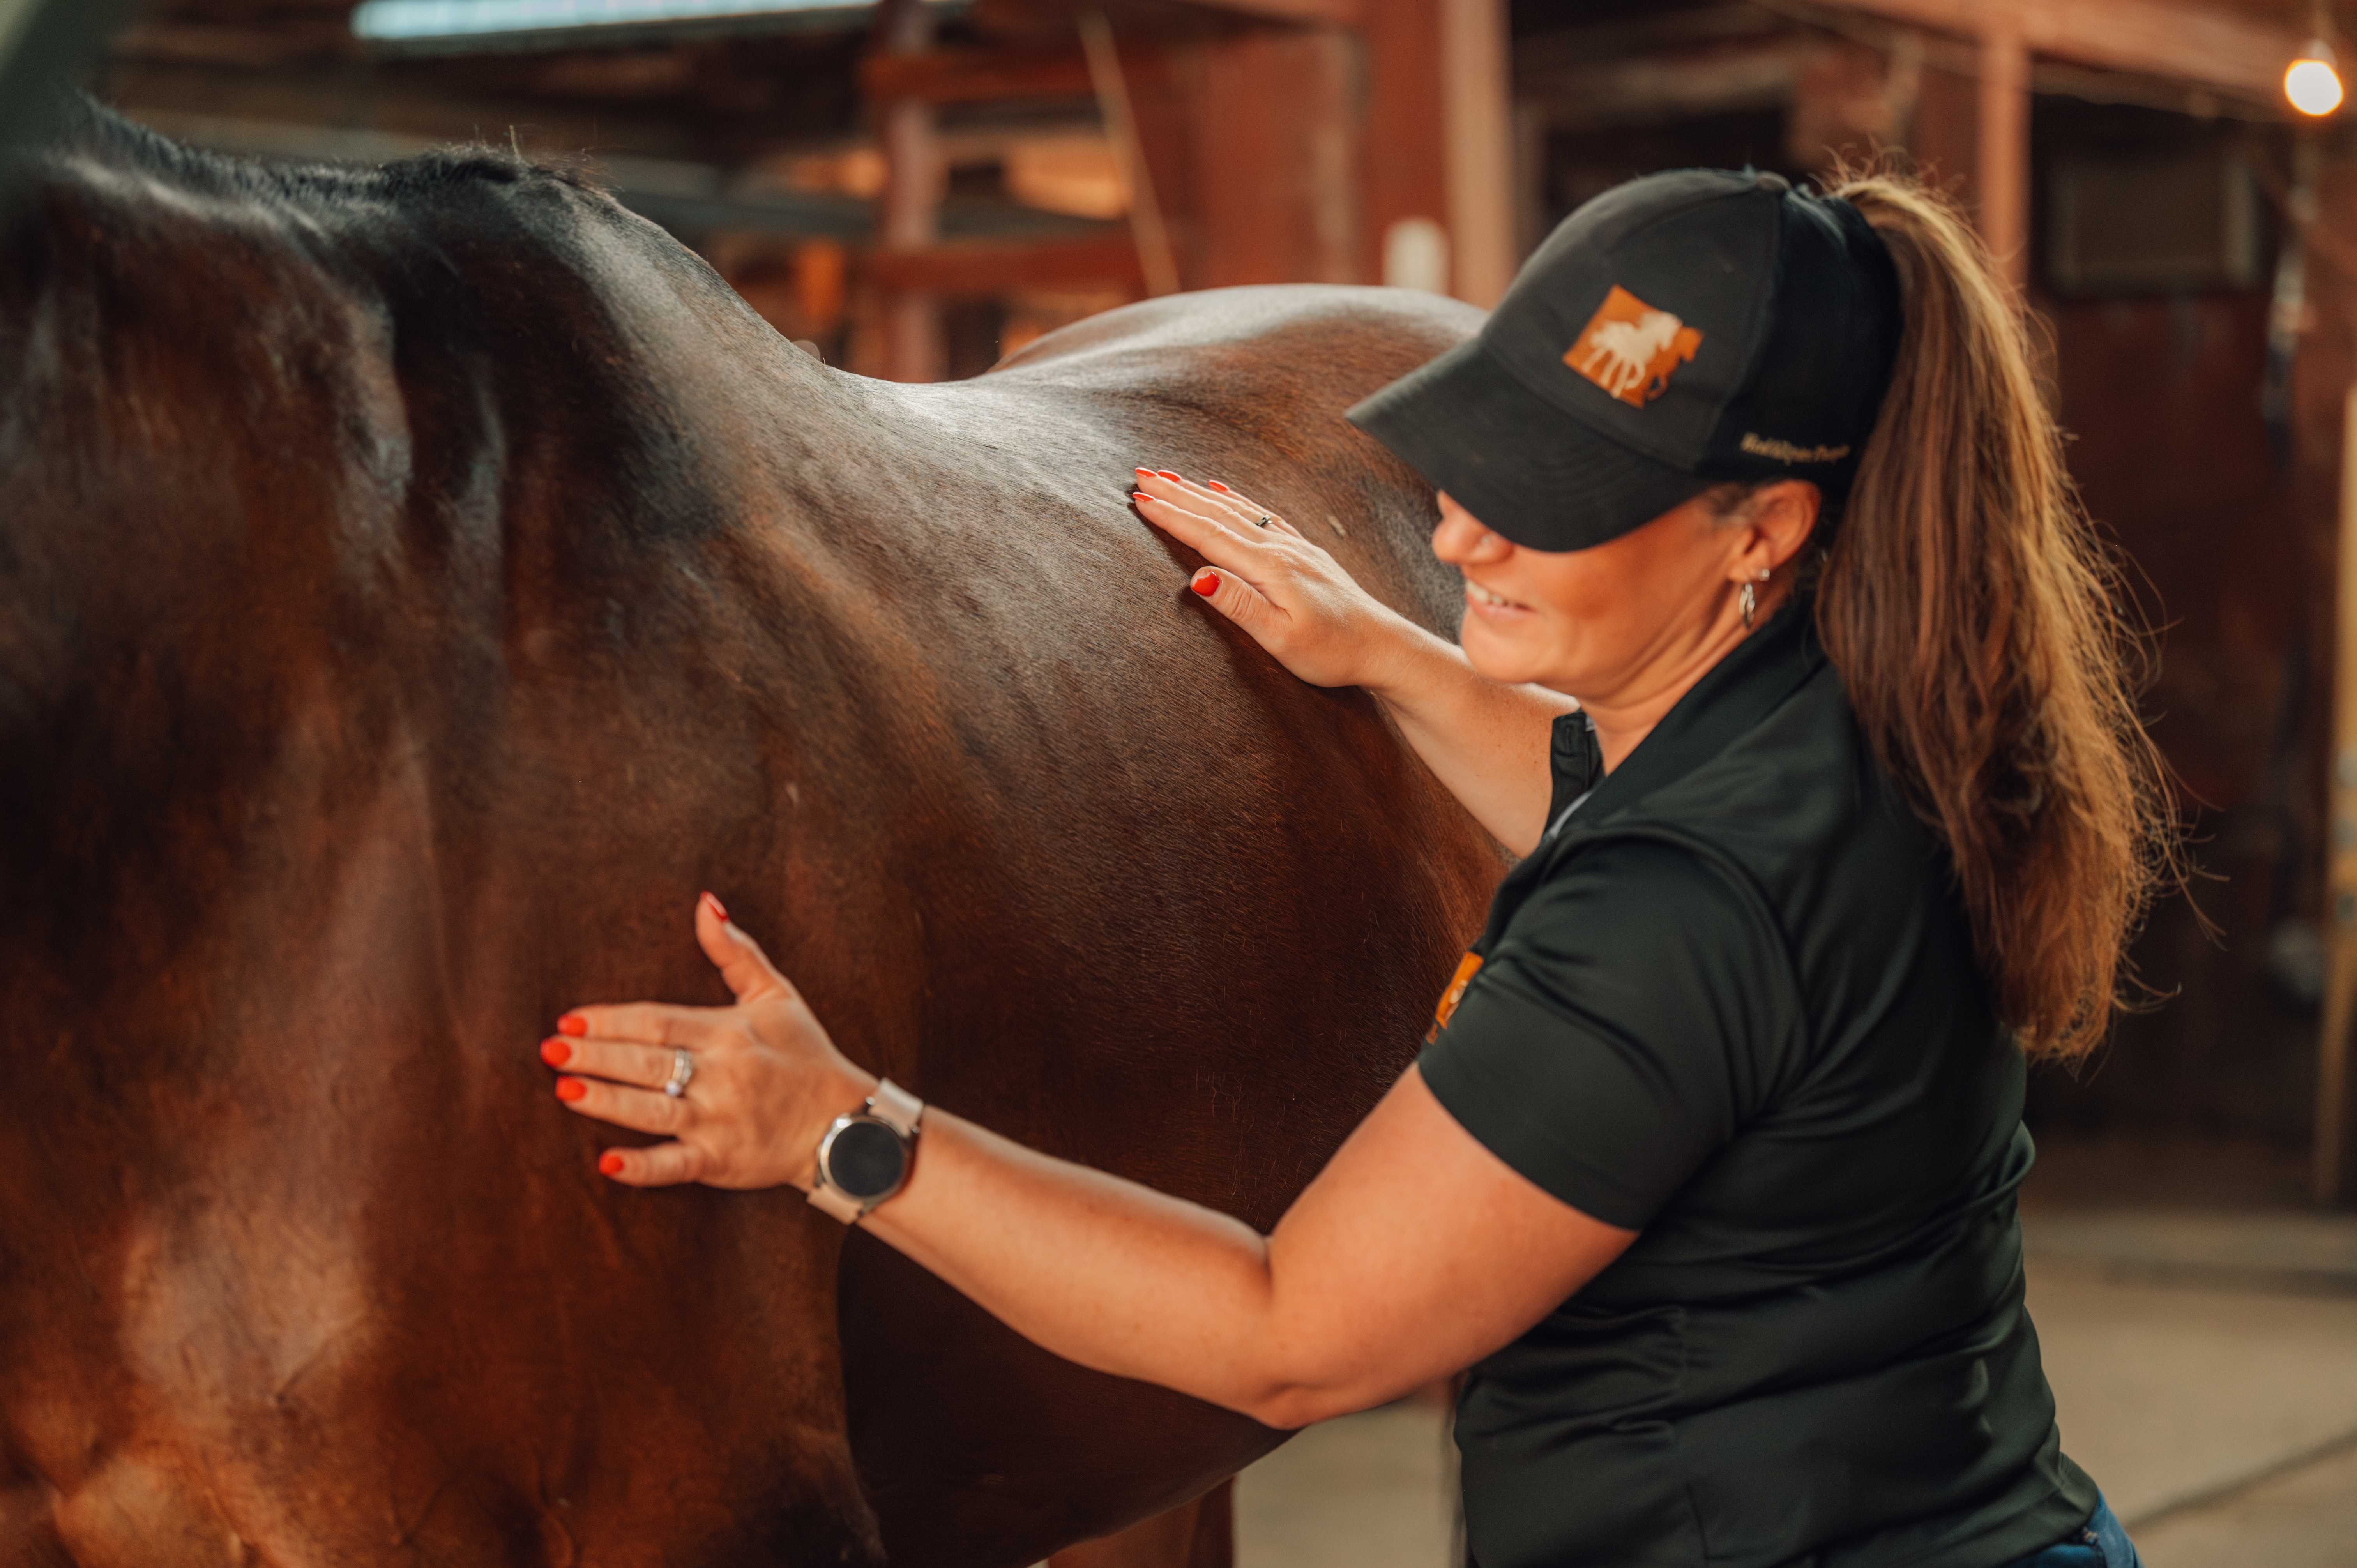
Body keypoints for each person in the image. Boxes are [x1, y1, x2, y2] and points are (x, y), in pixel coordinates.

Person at [534, 168, 2172, 1568]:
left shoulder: (1678, 907)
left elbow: (1287, 1335)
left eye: (1564, 499)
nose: (1466, 539)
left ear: (1764, 530)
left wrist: (837, 1128)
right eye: (1486, 462)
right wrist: (1386, 656)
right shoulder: (1864, 731)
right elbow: (1608, 795)